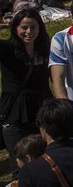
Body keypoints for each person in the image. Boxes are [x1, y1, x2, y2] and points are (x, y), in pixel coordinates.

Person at [0, 10, 52, 175]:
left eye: (33, 27)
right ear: (15, 28)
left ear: (40, 27)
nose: (29, 32)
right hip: (15, 112)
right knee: (20, 164)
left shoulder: (46, 49)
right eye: (24, 27)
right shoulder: (7, 49)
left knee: (45, 162)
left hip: (41, 111)